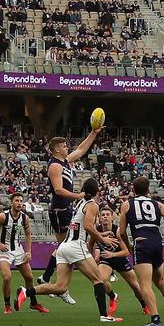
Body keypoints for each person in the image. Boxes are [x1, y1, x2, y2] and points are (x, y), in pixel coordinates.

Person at [15, 177, 123, 323]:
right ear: (97, 191)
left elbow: (81, 226)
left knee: (60, 287)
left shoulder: (81, 202)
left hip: (64, 247)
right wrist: (103, 239)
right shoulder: (93, 205)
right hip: (76, 246)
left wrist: (100, 235)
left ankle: (25, 292)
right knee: (98, 280)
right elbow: (88, 227)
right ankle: (104, 316)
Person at [37, 125, 103, 304]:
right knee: (66, 248)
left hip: (65, 210)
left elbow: (81, 149)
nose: (68, 148)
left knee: (64, 249)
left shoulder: (65, 161)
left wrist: (94, 133)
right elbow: (58, 190)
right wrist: (79, 196)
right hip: (59, 211)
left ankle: (54, 283)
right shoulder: (55, 166)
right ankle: (53, 282)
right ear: (57, 149)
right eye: (65, 146)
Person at [118, 175, 164, 326]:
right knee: (160, 281)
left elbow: (122, 232)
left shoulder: (127, 205)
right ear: (148, 189)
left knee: (145, 284)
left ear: (133, 189)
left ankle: (155, 319)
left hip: (141, 243)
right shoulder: (157, 204)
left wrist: (129, 246)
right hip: (157, 243)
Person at [0, 192, 49, 314]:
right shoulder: (3, 216)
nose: (19, 203)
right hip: (4, 250)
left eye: (21, 201)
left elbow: (28, 234)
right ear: (11, 202)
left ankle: (33, 303)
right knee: (7, 277)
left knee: (29, 277)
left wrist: (28, 251)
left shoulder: (24, 218)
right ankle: (7, 305)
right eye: (17, 201)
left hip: (18, 249)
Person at [92, 207, 147, 314]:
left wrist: (112, 254)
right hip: (106, 259)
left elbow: (127, 251)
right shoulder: (97, 230)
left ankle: (144, 305)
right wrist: (95, 255)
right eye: (103, 215)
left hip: (120, 259)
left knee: (135, 286)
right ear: (100, 217)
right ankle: (113, 296)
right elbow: (93, 244)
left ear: (112, 217)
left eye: (107, 215)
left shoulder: (117, 230)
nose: (105, 217)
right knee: (101, 280)